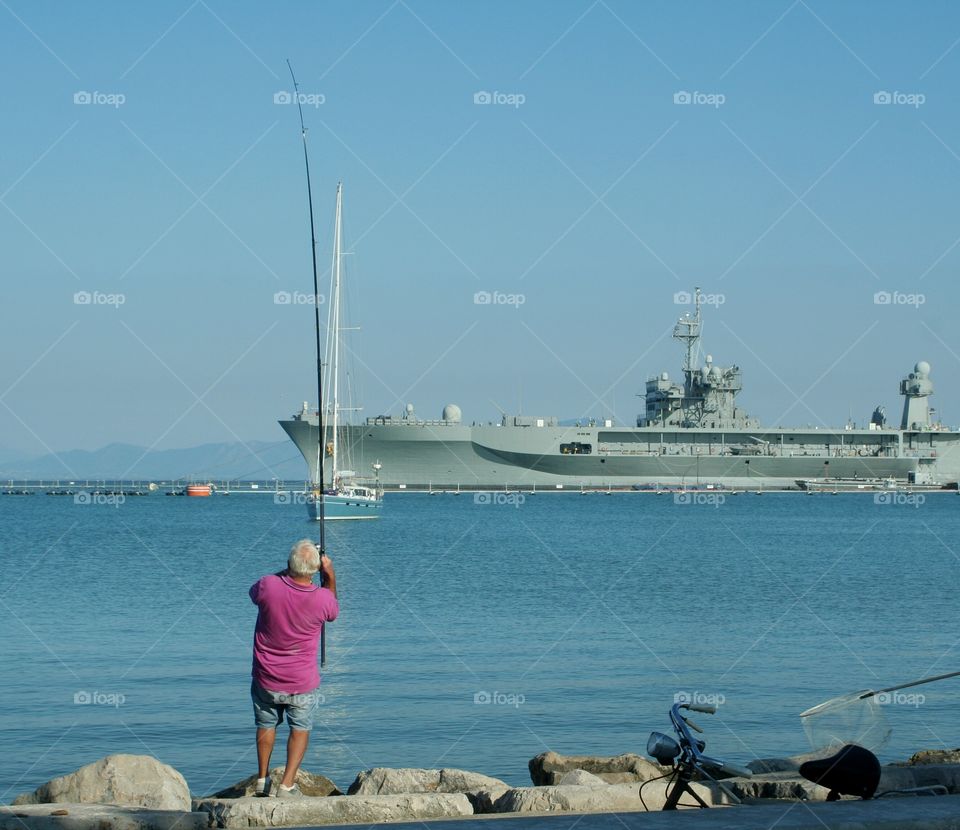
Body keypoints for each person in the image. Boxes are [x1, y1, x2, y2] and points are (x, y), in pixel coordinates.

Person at [249, 539, 338, 798]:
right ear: (314, 571)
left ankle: (263, 780)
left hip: (266, 677)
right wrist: (329, 574)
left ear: (289, 564)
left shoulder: (268, 585)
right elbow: (333, 611)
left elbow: (254, 592)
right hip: (300, 680)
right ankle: (287, 785)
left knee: (266, 724)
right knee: (299, 728)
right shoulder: (322, 598)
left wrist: (289, 570)